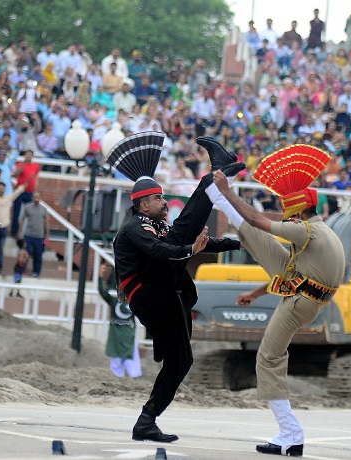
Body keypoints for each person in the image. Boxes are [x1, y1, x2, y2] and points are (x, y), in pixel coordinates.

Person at [206, 146, 345, 457]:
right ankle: (218, 198)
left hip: (300, 304)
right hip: (308, 297)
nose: (286, 216)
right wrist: (255, 294)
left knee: (268, 358)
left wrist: (229, 191)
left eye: (288, 211)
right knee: (263, 242)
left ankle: (290, 433)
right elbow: (296, 274)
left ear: (297, 212)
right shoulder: (323, 232)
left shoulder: (305, 232)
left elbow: (257, 218)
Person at [110, 133, 244, 443]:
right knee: (182, 234)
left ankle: (147, 419)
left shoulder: (154, 225)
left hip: (166, 294)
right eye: (158, 199)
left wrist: (243, 242)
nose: (163, 202)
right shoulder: (135, 227)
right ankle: (214, 175)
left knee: (182, 360)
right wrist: (189, 251)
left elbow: (200, 243)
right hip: (149, 293)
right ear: (144, 204)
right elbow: (162, 252)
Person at [99, 262, 141, 378]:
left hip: (128, 333)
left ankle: (134, 380)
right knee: (116, 359)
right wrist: (100, 276)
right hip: (116, 333)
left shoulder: (134, 301)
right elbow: (102, 292)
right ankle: (117, 378)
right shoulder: (114, 301)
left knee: (130, 358)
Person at [18, 191, 49, 278]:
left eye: (37, 197)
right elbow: (23, 219)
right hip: (28, 235)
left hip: (39, 236)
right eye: (34, 197)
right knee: (25, 254)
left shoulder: (43, 209)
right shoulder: (28, 207)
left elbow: (46, 222)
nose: (36, 199)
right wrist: (20, 231)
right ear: (32, 198)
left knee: (38, 255)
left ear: (40, 198)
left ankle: (36, 272)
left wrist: (47, 235)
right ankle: (22, 271)